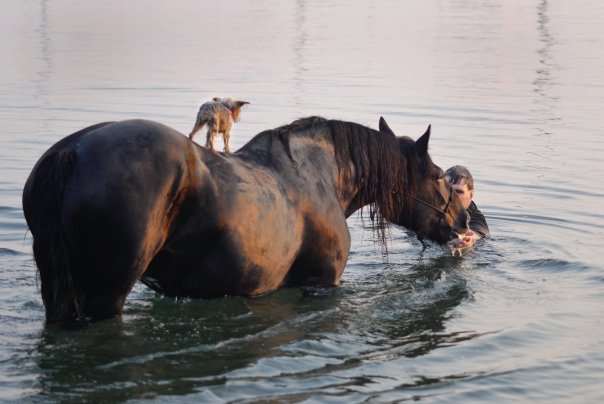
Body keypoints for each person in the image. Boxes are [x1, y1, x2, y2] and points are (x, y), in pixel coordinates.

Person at [445, 165, 489, 250]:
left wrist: (468, 239)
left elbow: (478, 234)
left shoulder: (475, 216)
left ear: (471, 195)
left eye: (458, 192)